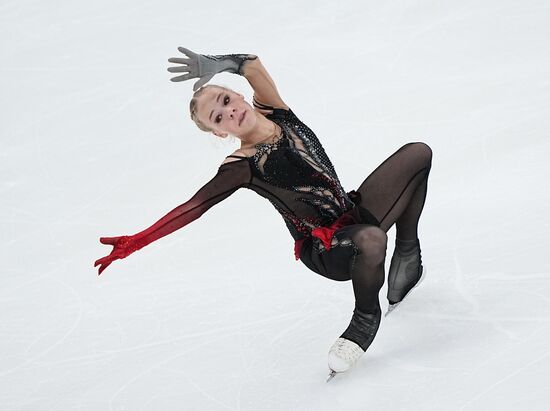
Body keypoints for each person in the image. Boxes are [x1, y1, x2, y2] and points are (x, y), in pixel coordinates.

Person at [94, 47, 433, 378]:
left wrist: (215, 63)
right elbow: (193, 207)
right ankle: (365, 318)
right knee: (372, 239)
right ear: (219, 132)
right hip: (327, 250)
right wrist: (136, 241)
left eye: (226, 100)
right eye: (217, 117)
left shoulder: (276, 111)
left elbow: (252, 64)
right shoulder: (242, 165)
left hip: (352, 213)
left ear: (239, 96)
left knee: (417, 154)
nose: (228, 112)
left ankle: (407, 253)